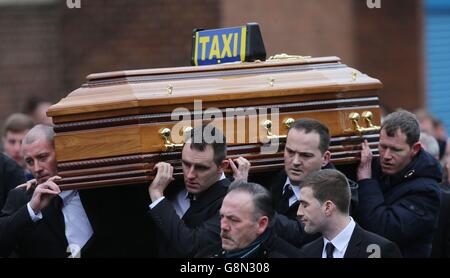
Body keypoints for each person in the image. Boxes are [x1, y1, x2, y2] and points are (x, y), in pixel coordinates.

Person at [147, 124, 250, 257]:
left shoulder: (232, 202)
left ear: (221, 167)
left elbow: (191, 246)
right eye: (186, 164)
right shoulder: (172, 184)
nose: (190, 175)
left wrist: (156, 195)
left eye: (201, 168)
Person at [0, 124, 100, 257]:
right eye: (29, 161)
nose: (37, 168)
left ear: (60, 152)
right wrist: (31, 210)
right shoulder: (22, 197)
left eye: (42, 157)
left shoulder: (94, 188)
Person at [356, 110, 442, 257]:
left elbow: (383, 230)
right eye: (383, 147)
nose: (386, 156)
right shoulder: (376, 166)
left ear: (415, 149)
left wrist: (366, 181)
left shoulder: (427, 192)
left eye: (396, 150)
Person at [298, 169, 401, 258]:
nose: (299, 212)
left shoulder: (378, 250)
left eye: (305, 205)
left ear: (328, 207)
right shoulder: (307, 252)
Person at [197, 181, 302, 258]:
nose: (223, 226)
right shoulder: (207, 253)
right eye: (221, 217)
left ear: (261, 224)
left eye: (233, 220)